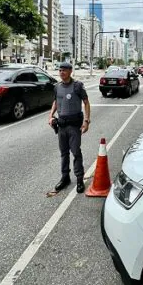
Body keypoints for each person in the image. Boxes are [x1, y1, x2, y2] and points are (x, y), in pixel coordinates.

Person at [47, 62, 91, 195]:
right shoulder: (57, 87)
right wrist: (50, 116)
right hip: (61, 125)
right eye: (60, 70)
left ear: (70, 71)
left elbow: (86, 102)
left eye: (64, 70)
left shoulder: (77, 86)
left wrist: (87, 121)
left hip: (74, 125)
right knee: (64, 153)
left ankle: (79, 179)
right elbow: (56, 101)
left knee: (76, 152)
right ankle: (65, 177)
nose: (61, 72)